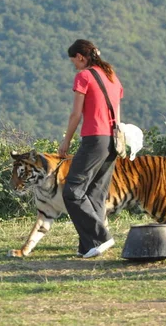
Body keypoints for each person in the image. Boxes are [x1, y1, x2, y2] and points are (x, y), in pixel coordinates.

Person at [58, 39, 124, 258]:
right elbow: (117, 108)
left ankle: (101, 237)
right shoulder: (111, 75)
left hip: (95, 138)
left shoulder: (84, 76)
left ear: (80, 57)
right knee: (95, 192)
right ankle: (88, 246)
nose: (74, 67)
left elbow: (76, 114)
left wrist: (66, 140)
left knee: (73, 191)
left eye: (74, 62)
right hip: (114, 139)